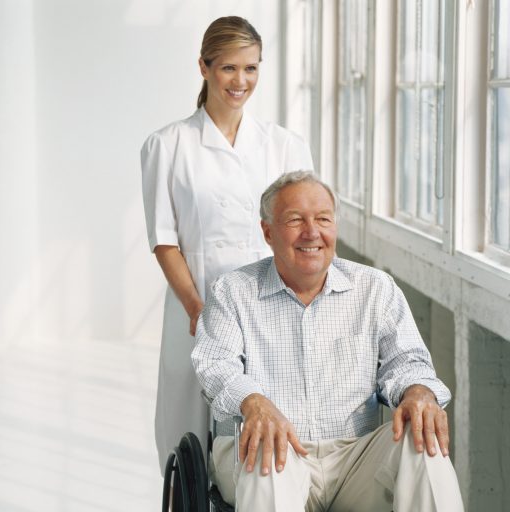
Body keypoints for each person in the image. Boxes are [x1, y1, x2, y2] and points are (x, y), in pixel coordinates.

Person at [192, 171, 464, 511]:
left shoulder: (375, 289)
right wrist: (253, 400)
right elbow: (215, 364)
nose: (312, 232)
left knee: (422, 437)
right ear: (267, 232)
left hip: (354, 458)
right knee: (267, 445)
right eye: (295, 220)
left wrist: (418, 392)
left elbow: (407, 361)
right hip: (273, 455)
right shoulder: (233, 291)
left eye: (323, 219)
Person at [140, 17, 313, 473]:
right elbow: (164, 240)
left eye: (251, 69)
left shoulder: (284, 145)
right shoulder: (168, 145)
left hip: (268, 307)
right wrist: (198, 309)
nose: (241, 81)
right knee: (188, 442)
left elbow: (303, 232)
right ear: (204, 66)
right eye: (229, 68)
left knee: (266, 437)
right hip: (194, 306)